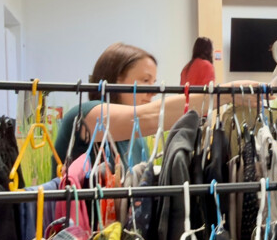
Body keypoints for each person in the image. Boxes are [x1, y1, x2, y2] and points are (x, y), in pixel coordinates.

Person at [53, 42, 187, 165]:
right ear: (117, 79)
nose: (153, 92)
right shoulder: (83, 114)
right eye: (146, 80)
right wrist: (198, 99)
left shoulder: (138, 140)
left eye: (153, 82)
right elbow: (151, 116)